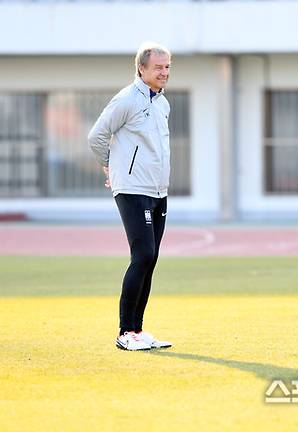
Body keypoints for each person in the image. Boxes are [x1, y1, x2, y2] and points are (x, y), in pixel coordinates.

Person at [88, 42, 173, 351]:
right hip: (132, 189)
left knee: (151, 260)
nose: (164, 72)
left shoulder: (162, 103)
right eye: (158, 67)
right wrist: (110, 168)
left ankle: (137, 331)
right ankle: (125, 332)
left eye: (167, 67)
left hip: (157, 190)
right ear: (142, 69)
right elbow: (96, 135)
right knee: (143, 255)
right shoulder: (126, 99)